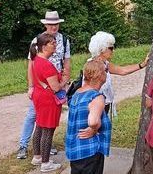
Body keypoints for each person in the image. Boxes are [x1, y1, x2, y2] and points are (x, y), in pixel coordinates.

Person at [17, 11, 71, 159]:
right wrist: (31, 86)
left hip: (57, 82)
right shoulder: (37, 40)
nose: (54, 27)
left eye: (56, 24)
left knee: (47, 120)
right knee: (33, 115)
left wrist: (64, 80)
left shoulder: (64, 40)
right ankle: (23, 145)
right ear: (45, 24)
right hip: (43, 83)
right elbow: (31, 64)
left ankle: (43, 148)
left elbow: (66, 62)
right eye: (51, 24)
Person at [30, 33, 68, 172]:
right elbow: (56, 87)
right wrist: (64, 79)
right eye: (52, 43)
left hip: (39, 96)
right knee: (48, 129)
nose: (55, 45)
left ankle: (37, 156)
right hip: (48, 99)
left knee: (39, 126)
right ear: (44, 46)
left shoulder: (36, 60)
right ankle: (46, 163)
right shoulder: (46, 64)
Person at [66, 60, 111, 174]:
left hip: (75, 149)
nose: (107, 73)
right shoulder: (97, 97)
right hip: (90, 150)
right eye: (105, 71)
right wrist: (94, 128)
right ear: (99, 75)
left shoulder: (77, 93)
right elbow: (93, 121)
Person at [87, 31, 149, 115]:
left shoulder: (105, 64)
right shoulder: (92, 66)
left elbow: (122, 70)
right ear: (102, 49)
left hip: (103, 104)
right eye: (111, 48)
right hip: (96, 105)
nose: (113, 50)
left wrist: (142, 65)